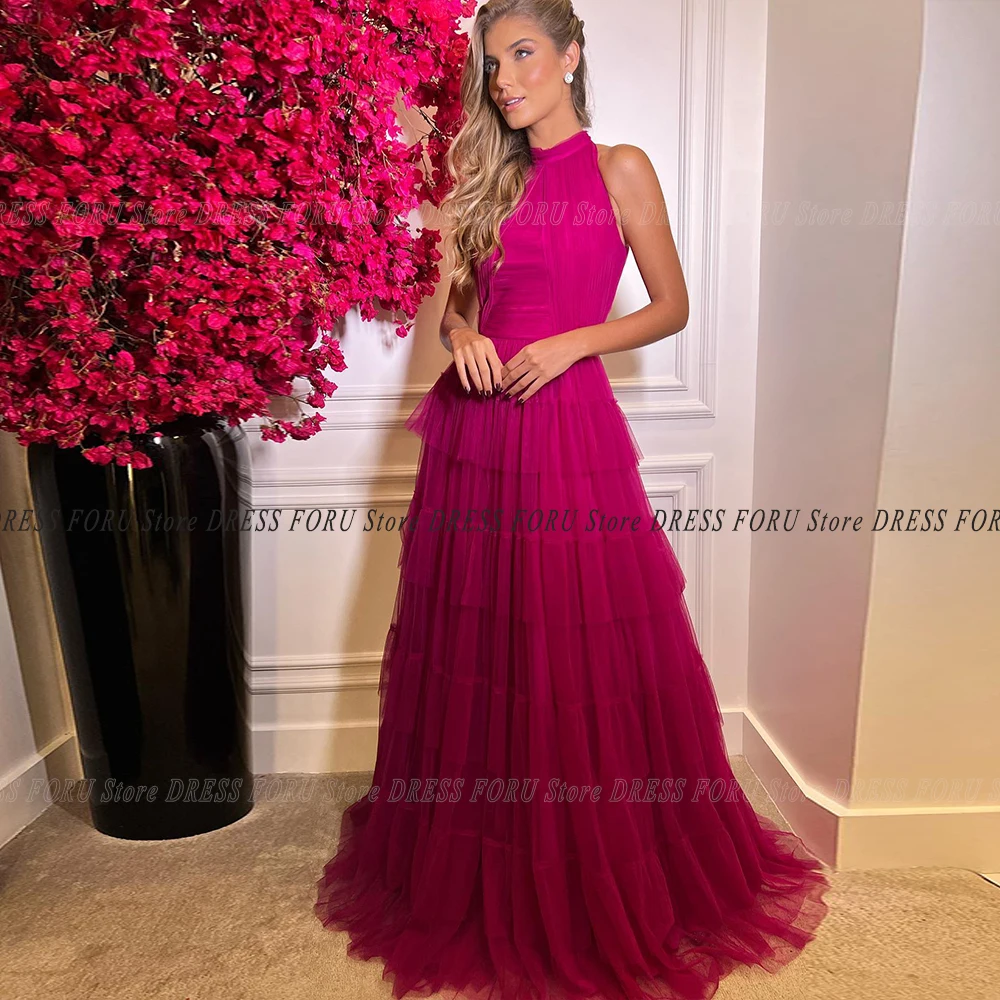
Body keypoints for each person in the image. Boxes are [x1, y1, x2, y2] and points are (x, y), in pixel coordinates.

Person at [315, 3, 831, 998]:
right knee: (478, 646)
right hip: (473, 430)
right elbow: (460, 302)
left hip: (562, 427)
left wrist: (571, 343)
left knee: (566, 642)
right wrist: (461, 335)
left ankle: (581, 858)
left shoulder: (619, 168)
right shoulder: (488, 174)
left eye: (523, 55)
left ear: (570, 56)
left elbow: (671, 304)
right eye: (492, 62)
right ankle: (486, 850)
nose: (505, 78)